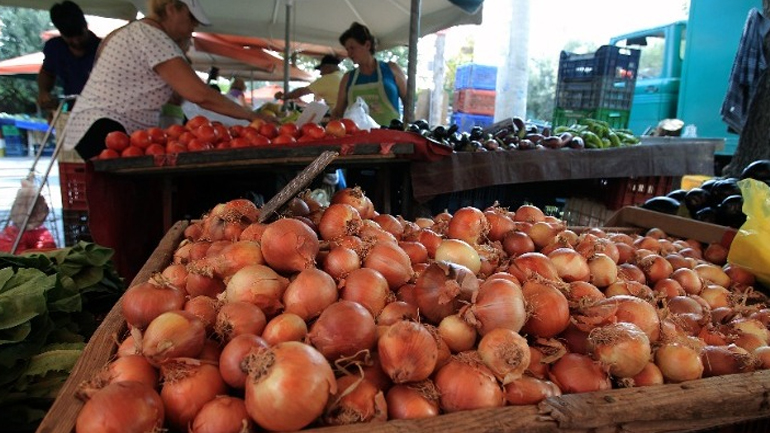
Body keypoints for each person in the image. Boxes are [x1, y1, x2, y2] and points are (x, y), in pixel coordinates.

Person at [63, 0, 268, 160]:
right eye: (191, 18)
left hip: (97, 125)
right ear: (172, 9)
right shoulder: (154, 37)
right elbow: (200, 94)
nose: (193, 26)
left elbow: (177, 96)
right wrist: (250, 115)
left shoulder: (138, 31)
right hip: (104, 126)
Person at [330, 22, 407, 126]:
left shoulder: (392, 69)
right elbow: (338, 112)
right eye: (347, 49)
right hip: (359, 139)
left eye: (352, 48)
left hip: (391, 137)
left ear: (367, 45)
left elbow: (408, 104)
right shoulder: (348, 78)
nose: (349, 53)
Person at [37, 1, 101, 111]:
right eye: (69, 37)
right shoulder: (55, 48)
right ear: (60, 33)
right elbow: (47, 73)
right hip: (73, 111)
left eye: (80, 35)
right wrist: (44, 93)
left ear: (85, 25)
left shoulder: (104, 48)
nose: (76, 41)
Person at [275, 55, 344, 111]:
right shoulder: (342, 75)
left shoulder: (328, 78)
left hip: (340, 115)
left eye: (321, 69)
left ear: (328, 67)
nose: (321, 73)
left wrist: (284, 96)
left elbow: (300, 92)